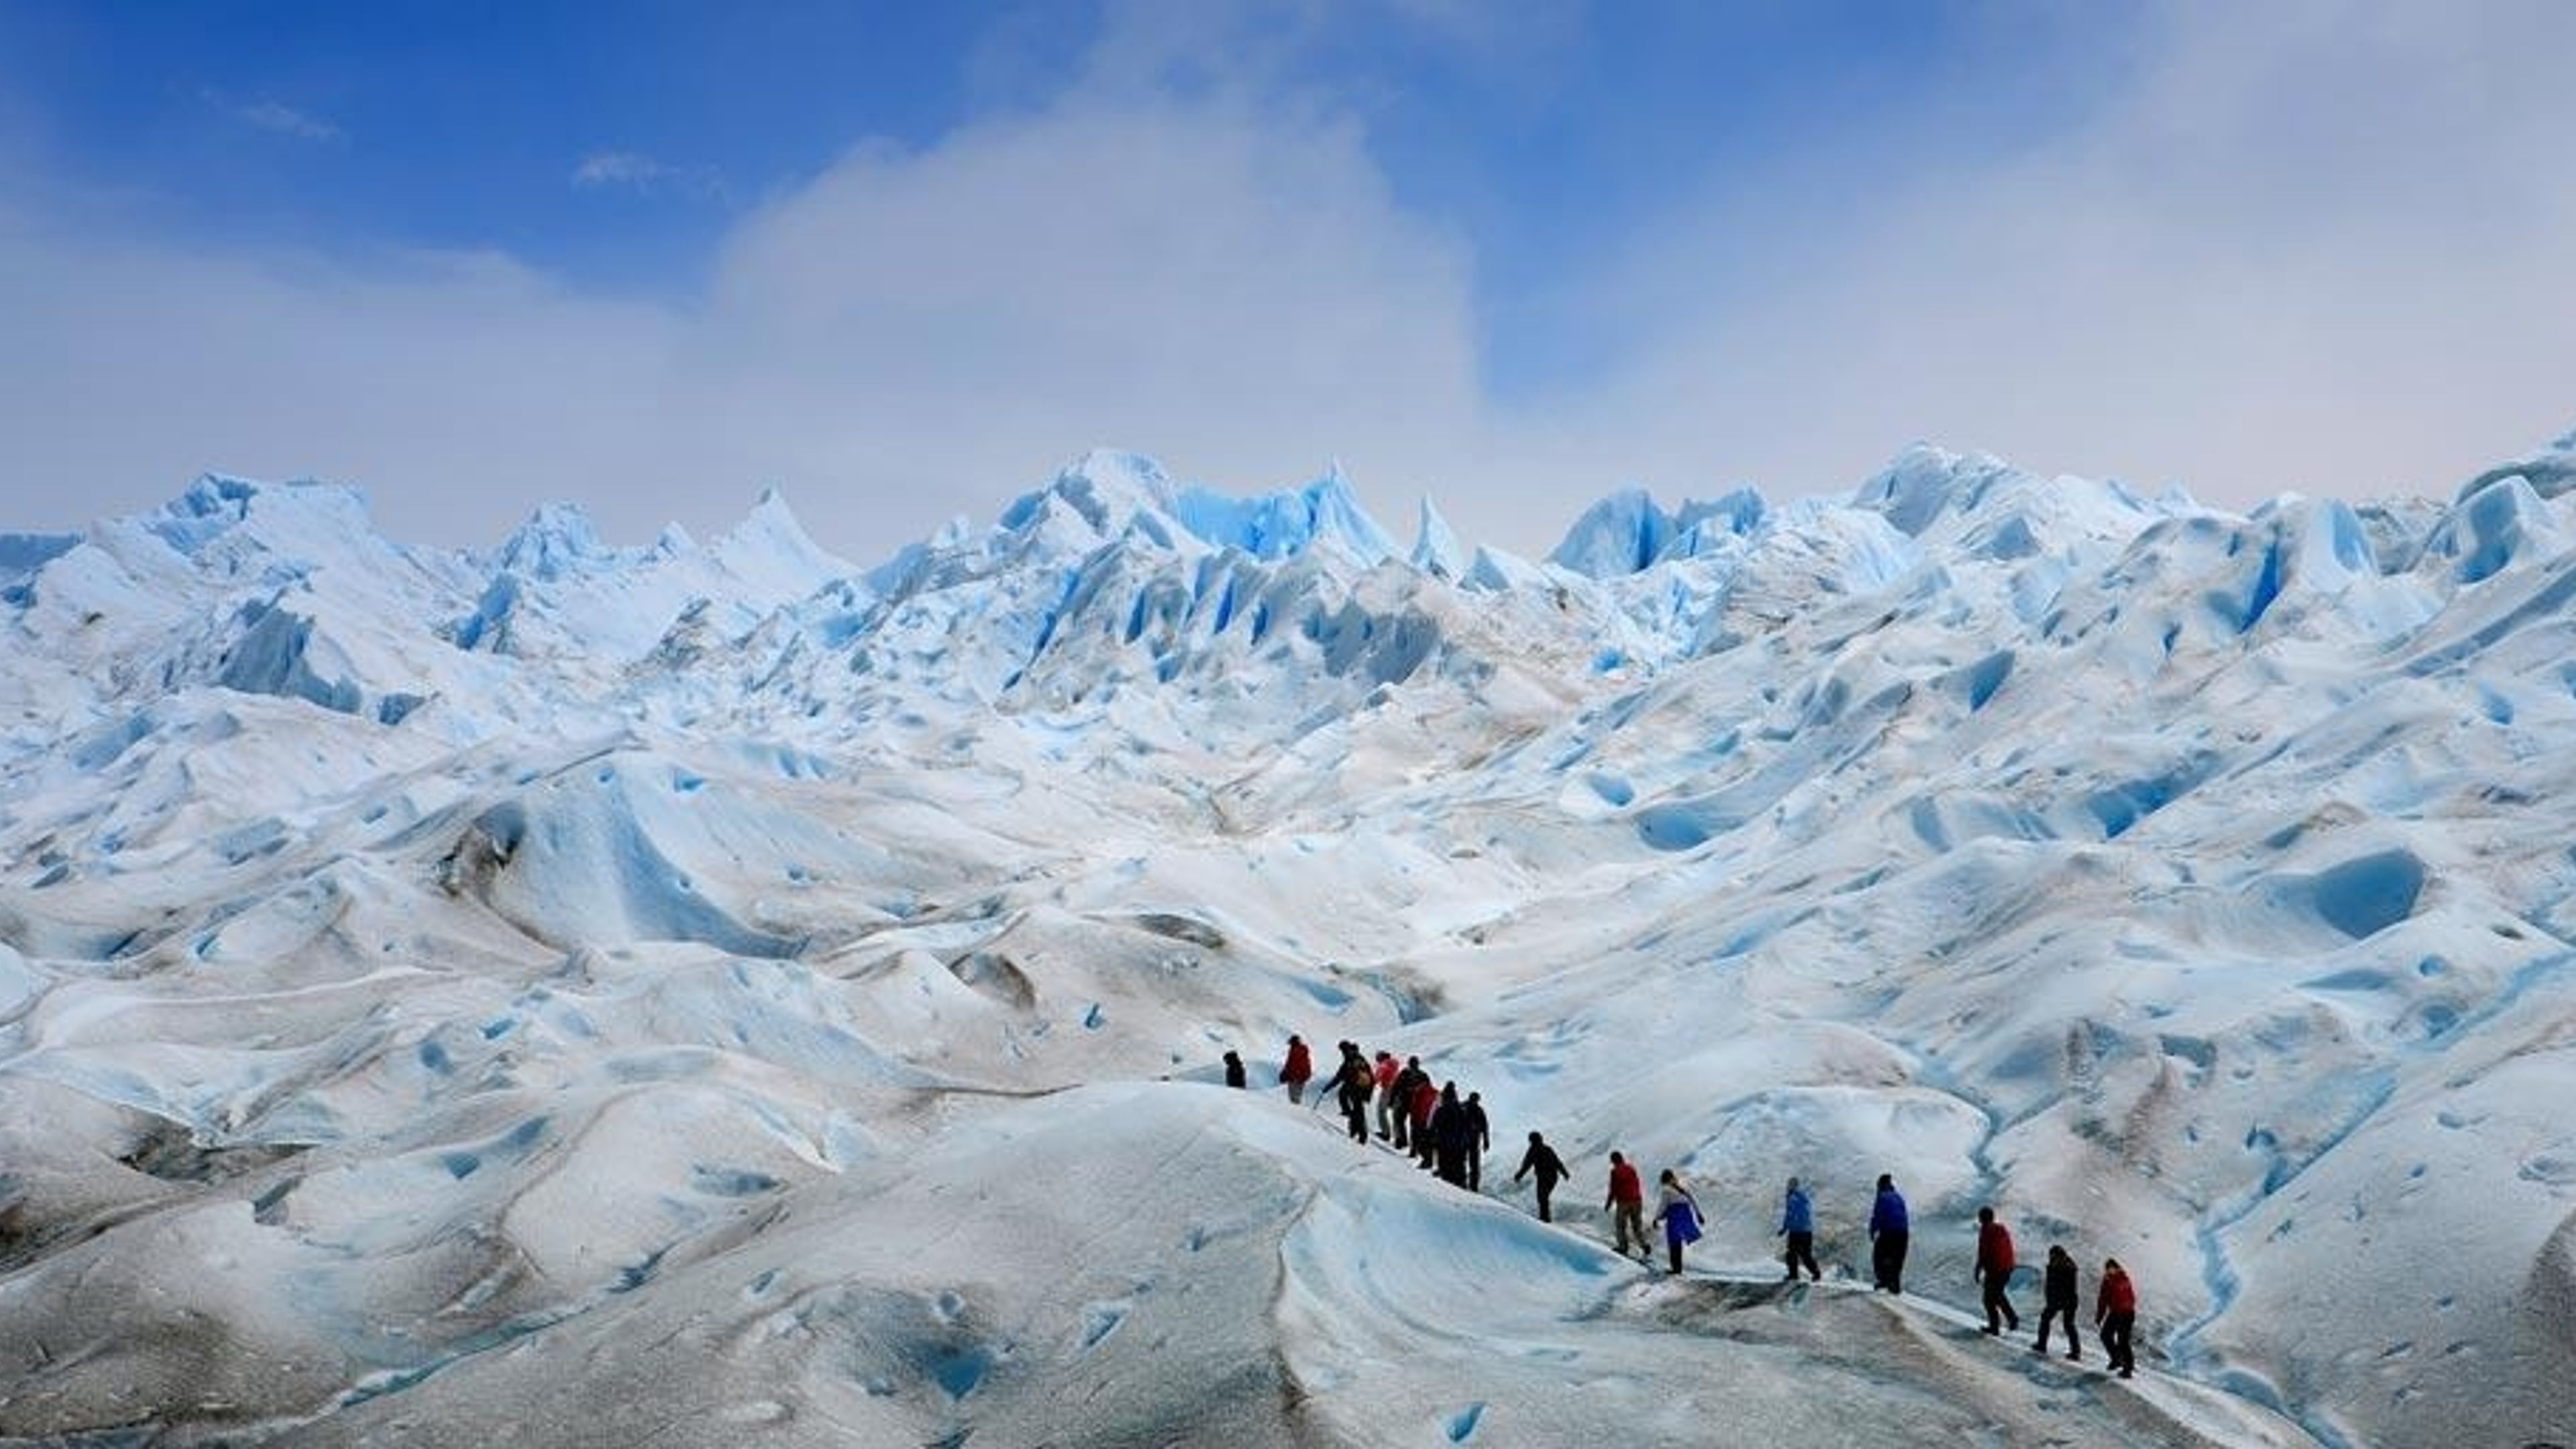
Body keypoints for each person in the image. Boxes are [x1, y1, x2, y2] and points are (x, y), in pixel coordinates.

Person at [1975, 1206, 2021, 1335]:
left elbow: (1989, 1253)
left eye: (1981, 1217)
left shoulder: (1993, 1232)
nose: (1979, 1220)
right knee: (1997, 1296)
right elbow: (1984, 1252)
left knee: (1989, 1300)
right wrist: (1980, 1267)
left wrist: (1980, 1268)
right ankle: (2012, 1319)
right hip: (2002, 1269)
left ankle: (1995, 1327)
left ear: (1984, 1218)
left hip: (1998, 1270)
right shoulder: (1993, 1230)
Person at [2035, 1244, 2082, 1361]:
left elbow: (2061, 1286)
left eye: (2053, 1255)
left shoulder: (2066, 1268)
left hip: (2065, 1300)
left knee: (2065, 1324)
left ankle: (2074, 1352)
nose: (2051, 1257)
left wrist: (2054, 1300)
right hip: (2062, 1299)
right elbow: (2051, 1284)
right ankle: (2074, 1352)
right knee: (2064, 1323)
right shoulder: (2057, 1265)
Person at [1651, 1169, 1703, 1274]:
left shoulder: (1666, 1190)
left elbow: (1663, 1205)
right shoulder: (1682, 1189)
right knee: (1678, 1241)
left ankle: (1675, 1269)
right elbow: (1692, 1200)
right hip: (1686, 1214)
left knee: (1673, 1242)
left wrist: (1656, 1218)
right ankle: (1678, 1268)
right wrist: (1699, 1214)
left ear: (1664, 1180)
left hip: (1676, 1215)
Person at [2096, 1258, 2138, 1378]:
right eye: (2108, 1269)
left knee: (2123, 1341)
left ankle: (2128, 1368)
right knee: (2105, 1336)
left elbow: (2130, 1298)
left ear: (2116, 1268)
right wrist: (2100, 1316)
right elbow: (2102, 1300)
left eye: (2112, 1268)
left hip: (2126, 1313)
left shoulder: (2123, 1279)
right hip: (2116, 1313)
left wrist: (2126, 1311)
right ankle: (2116, 1359)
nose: (2109, 1271)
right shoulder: (2108, 1281)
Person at [1868, 1173, 1910, 1294]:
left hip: (1889, 1232)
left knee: (1879, 1256)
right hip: (1903, 1233)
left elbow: (1877, 1217)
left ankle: (1884, 1281)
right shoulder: (1899, 1197)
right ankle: (1895, 1285)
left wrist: (1872, 1232)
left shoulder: (1882, 1197)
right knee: (1897, 1258)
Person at [1515, 1131, 1568, 1222]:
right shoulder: (1548, 1149)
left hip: (1544, 1177)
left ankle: (1545, 1219)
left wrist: (1519, 1175)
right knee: (1544, 1197)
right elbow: (1557, 1162)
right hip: (1553, 1177)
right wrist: (1565, 1173)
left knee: (1542, 1197)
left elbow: (1527, 1165)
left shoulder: (1533, 1150)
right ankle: (1545, 1217)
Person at [1605, 1151, 1648, 1258]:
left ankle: (1623, 1247)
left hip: (1624, 1202)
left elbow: (1613, 1189)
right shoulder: (1631, 1168)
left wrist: (1609, 1204)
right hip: (1637, 1200)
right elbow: (1636, 1183)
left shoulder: (1615, 1172)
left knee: (1620, 1225)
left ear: (1614, 1161)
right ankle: (1644, 1245)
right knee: (1637, 1227)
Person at [1778, 1177, 1821, 1282]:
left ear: (1792, 1185)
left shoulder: (1792, 1197)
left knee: (1791, 1254)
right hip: (1807, 1231)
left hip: (1796, 1232)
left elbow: (1790, 1215)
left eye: (1789, 1185)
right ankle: (1816, 1273)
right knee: (1806, 1255)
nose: (1787, 1186)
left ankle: (1794, 1275)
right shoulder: (1804, 1196)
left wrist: (1784, 1228)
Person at [1332, 1044, 1373, 1142]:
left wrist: (1329, 1086)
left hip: (1355, 1089)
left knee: (1357, 1111)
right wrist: (1368, 1094)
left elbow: (1340, 1075)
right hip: (1362, 1088)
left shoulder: (1350, 1060)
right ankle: (1356, 1131)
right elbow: (1370, 1076)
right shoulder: (1362, 1060)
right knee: (1358, 1110)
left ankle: (1361, 1133)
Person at [1389, 1056, 1429, 1151]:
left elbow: (1395, 1087)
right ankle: (1415, 1146)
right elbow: (1428, 1090)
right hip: (1417, 1104)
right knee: (1415, 1125)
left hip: (1403, 1101)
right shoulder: (1423, 1076)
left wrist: (1391, 1101)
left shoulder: (1404, 1073)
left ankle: (1401, 1141)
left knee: (1399, 1121)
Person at [1409, 1074, 1441, 1169]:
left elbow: (1414, 1105)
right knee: (1428, 1142)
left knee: (1420, 1141)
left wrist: (1413, 1117)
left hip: (1420, 1119)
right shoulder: (1436, 1092)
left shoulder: (1419, 1090)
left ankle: (1426, 1161)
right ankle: (1429, 1160)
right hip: (1431, 1121)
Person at [1462, 1091, 1491, 1190]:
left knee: (1466, 1162)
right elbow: (1485, 1127)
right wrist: (1486, 1141)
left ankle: (1469, 1184)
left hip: (1466, 1140)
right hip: (1471, 1140)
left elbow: (1485, 1127)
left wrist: (1486, 1141)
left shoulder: (1464, 1107)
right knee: (1472, 1164)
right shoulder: (1478, 1110)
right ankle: (1472, 1185)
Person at [1372, 1051, 1400, 1140]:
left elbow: (1377, 1077)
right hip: (1396, 1090)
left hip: (1387, 1089)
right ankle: (1399, 1137)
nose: (1378, 1062)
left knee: (1381, 1111)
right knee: (1396, 1113)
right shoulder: (1394, 1064)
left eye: (1378, 1059)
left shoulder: (1384, 1065)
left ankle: (1386, 1133)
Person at [1280, 1035, 1313, 1105]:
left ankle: (1294, 1114)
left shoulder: (1295, 1052)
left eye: (1291, 1043)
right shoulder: (1304, 1051)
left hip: (1295, 1078)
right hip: (1302, 1078)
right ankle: (1296, 1112)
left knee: (1293, 1099)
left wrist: (1285, 1074)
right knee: (1297, 1098)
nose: (1290, 1045)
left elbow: (1291, 1065)